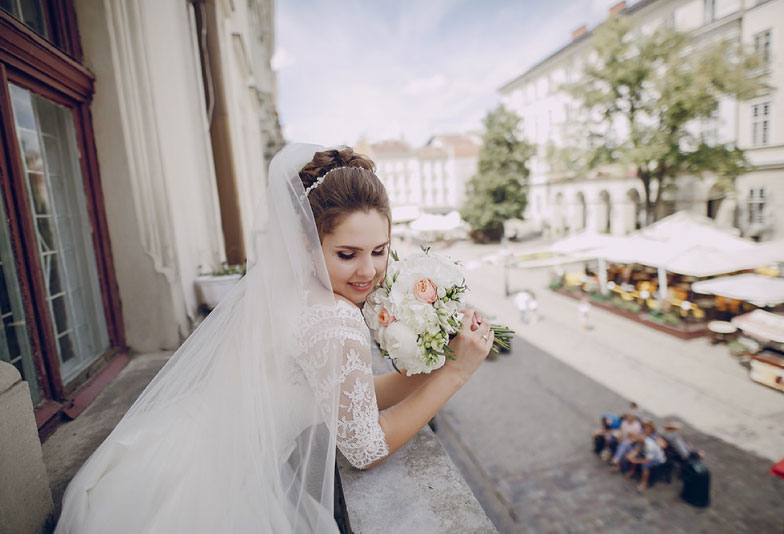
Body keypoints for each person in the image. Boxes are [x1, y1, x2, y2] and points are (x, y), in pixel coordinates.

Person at [54, 144, 494, 533]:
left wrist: (431, 365)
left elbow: (345, 394)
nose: (369, 271)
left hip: (177, 449)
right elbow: (365, 447)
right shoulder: (334, 320)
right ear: (306, 243)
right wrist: (455, 374)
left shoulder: (288, 290)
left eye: (379, 250)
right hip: (210, 487)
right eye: (347, 254)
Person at [625, 421, 667, 492]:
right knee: (634, 456)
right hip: (646, 454)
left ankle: (644, 483)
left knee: (645, 465)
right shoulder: (641, 439)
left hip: (658, 459)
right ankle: (632, 471)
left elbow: (648, 460)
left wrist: (635, 461)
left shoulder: (650, 444)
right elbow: (636, 450)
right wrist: (630, 456)